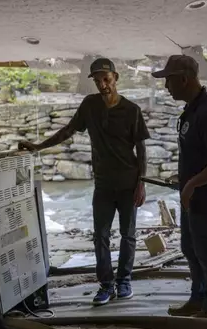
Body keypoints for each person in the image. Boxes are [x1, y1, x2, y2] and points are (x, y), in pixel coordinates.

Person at [18, 58, 150, 306]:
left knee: (127, 235)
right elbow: (68, 130)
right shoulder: (90, 106)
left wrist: (141, 183)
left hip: (128, 183)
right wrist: (38, 147)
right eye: (98, 80)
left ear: (116, 78)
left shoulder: (132, 110)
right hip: (103, 183)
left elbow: (142, 149)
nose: (102, 85)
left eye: (106, 79)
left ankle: (124, 281)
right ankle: (106, 285)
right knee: (100, 235)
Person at [152, 55, 207, 319]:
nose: (166, 86)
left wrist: (191, 185)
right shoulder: (192, 109)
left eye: (169, 79)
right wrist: (186, 181)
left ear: (184, 79)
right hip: (194, 197)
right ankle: (197, 300)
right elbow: (199, 156)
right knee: (191, 249)